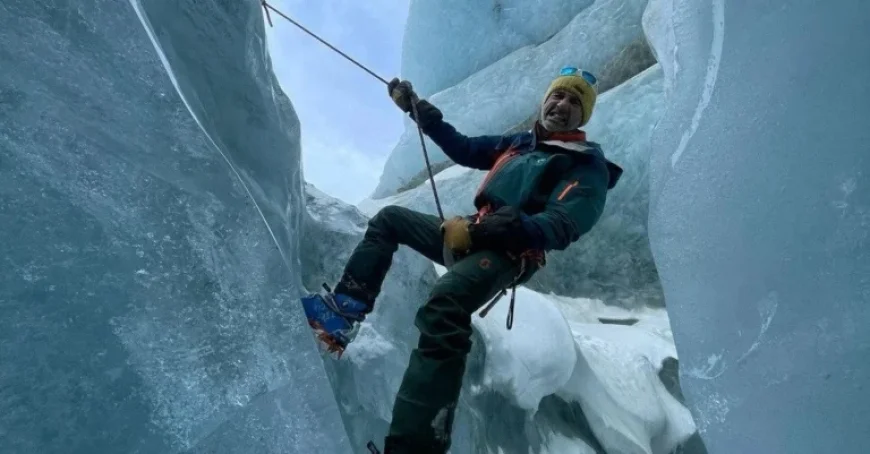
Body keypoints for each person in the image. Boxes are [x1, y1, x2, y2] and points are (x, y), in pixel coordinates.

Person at [301, 66, 623, 453]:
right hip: (470, 233)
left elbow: (564, 221)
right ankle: (343, 312)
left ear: (583, 116)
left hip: (511, 252)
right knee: (390, 220)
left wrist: (490, 230)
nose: (562, 104)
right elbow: (465, 149)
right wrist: (418, 110)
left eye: (575, 101)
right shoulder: (519, 144)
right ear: (544, 100)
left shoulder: (586, 165)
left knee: (446, 303)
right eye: (558, 95)